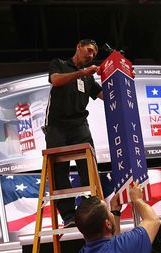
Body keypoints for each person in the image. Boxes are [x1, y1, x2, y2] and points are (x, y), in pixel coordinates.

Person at [43, 38, 103, 227]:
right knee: (60, 172)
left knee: (89, 169)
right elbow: (56, 80)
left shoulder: (89, 78)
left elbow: (106, 96)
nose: (91, 55)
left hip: (79, 126)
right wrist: (81, 73)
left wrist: (120, 78)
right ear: (78, 46)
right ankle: (68, 216)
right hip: (56, 126)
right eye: (89, 50)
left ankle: (90, 214)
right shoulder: (59, 64)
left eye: (94, 53)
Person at [74, 181, 161, 253]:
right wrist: (137, 199)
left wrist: (115, 213)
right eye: (108, 210)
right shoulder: (124, 246)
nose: (110, 212)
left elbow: (112, 245)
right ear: (107, 224)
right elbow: (153, 221)